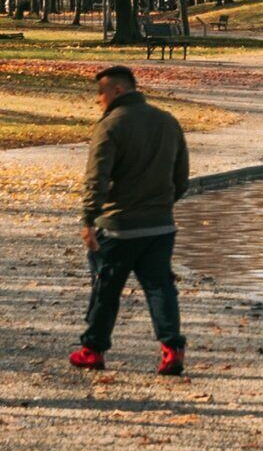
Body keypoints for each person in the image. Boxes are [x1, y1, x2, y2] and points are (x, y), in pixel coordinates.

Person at [71, 63, 191, 375]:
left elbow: (97, 178)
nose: (98, 100)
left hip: (118, 226)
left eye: (101, 93)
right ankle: (171, 348)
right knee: (160, 287)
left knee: (106, 287)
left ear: (118, 90)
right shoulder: (167, 121)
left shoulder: (110, 126)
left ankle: (93, 349)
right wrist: (163, 204)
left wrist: (89, 219)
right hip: (161, 225)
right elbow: (182, 178)